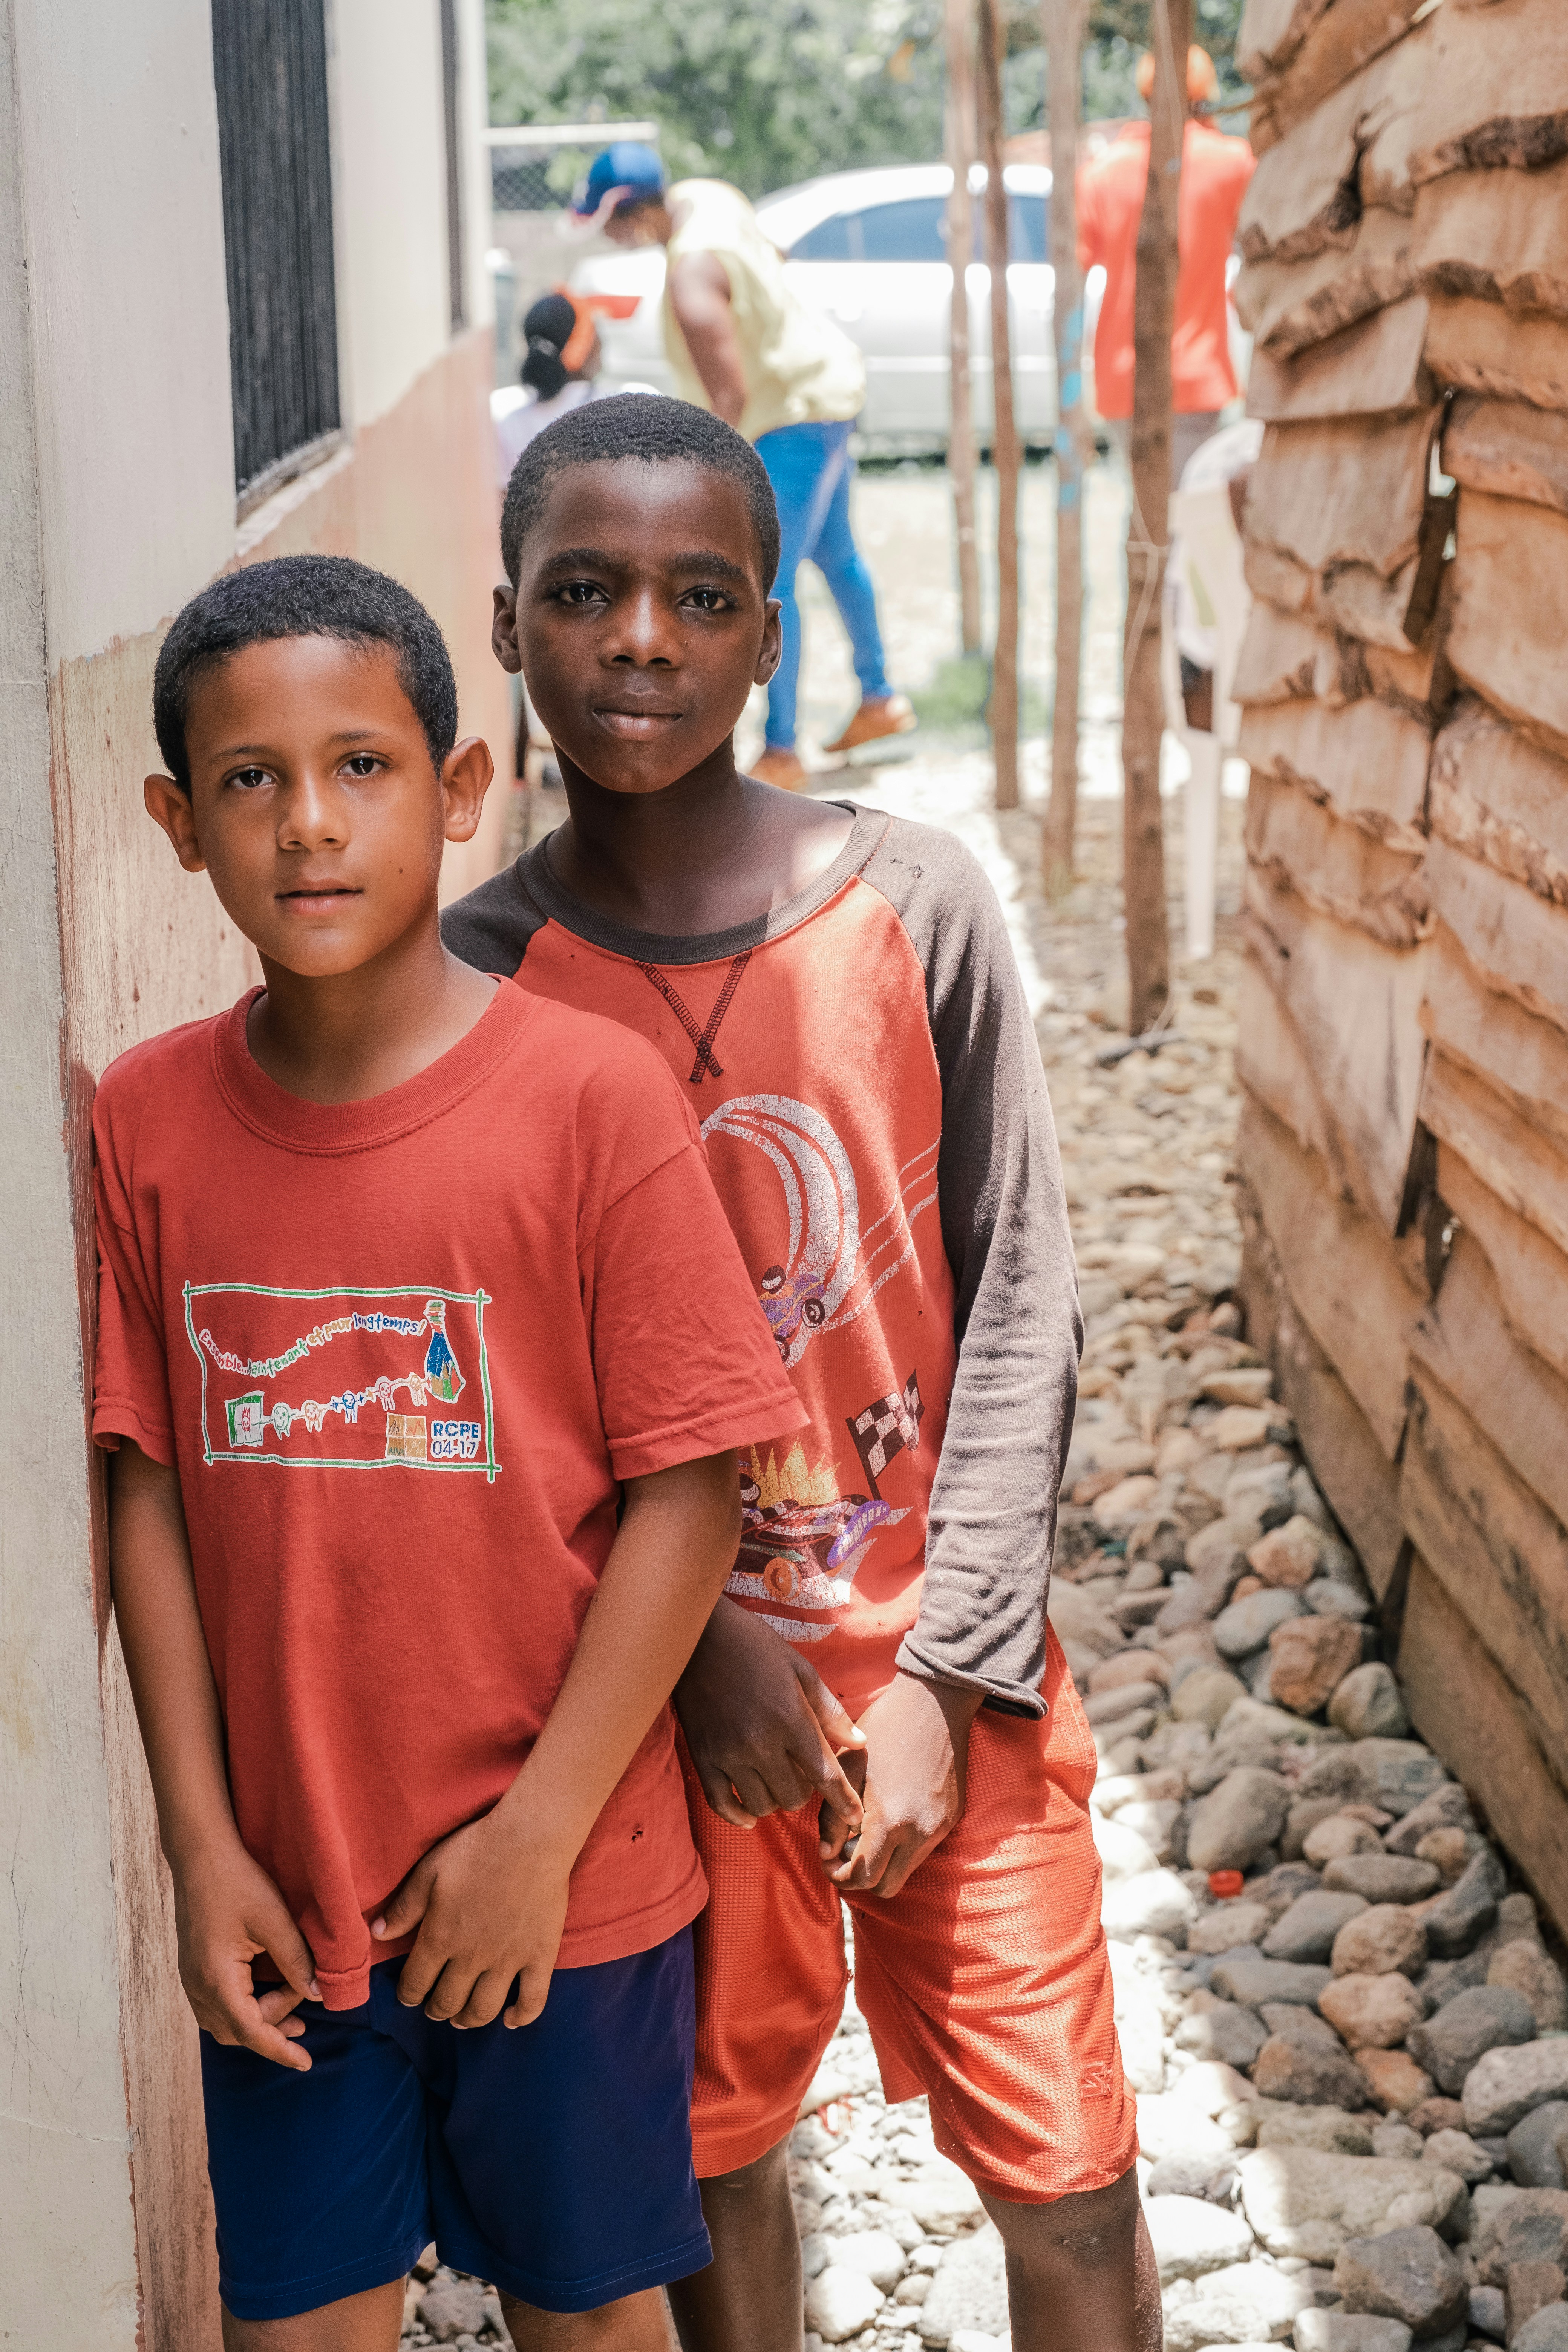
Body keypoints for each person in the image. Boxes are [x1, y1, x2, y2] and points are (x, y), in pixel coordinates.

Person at [445, 397, 1156, 2352]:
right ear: (508, 623)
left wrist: (951, 1674)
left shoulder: (914, 899)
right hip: (647, 1703)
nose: (644, 641)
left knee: (1069, 2180)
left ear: (773, 632)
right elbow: (496, 1401)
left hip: (946, 1674)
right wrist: (686, 1658)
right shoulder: (477, 979)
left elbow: (1023, 1289)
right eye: (584, 592)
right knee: (711, 2168)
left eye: (701, 596)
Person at [93, 552, 808, 2351]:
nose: (309, 825)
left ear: (462, 785)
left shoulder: (586, 1098)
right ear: (181, 822)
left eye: (363, 765)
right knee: (302, 2323)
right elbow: (149, 1489)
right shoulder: (149, 1118)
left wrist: (539, 1832)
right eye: (251, 780)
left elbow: (689, 1478)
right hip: (289, 1890)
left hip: (563, 1881)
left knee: (588, 2315)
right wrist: (199, 1840)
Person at [573, 141, 915, 792]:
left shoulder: (689, 275)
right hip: (826, 391)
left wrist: (700, 486)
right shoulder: (709, 196)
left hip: (785, 421)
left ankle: (782, 750)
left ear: (633, 214)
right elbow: (772, 259)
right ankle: (880, 697)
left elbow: (726, 395)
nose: (610, 237)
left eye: (609, 222)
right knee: (837, 556)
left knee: (766, 586)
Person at [1077, 45, 1256, 483]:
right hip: (1195, 376)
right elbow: (1259, 258)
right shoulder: (1232, 162)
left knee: (1146, 513)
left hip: (1121, 380)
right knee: (1182, 520)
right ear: (1206, 95)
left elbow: (1074, 268)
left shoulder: (1102, 171)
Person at [491, 289, 657, 493]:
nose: (601, 342)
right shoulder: (637, 404)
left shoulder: (509, 423)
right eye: (596, 332)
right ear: (585, 347)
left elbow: (506, 508)